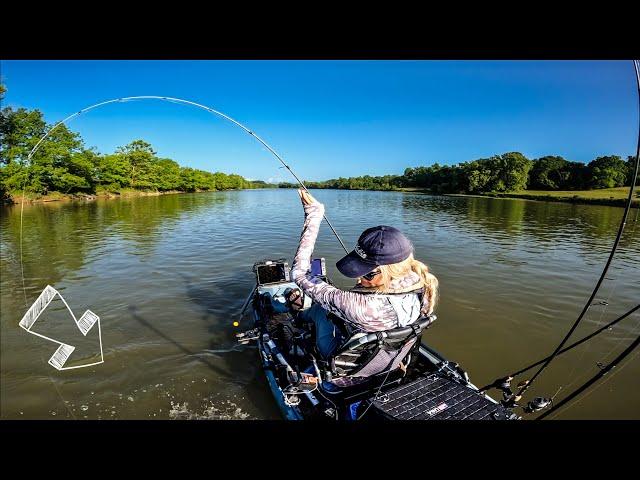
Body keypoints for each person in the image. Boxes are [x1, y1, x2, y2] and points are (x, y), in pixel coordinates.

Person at [290, 189, 439, 361]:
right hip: (388, 358)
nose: (358, 279)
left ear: (389, 272)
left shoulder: (359, 306)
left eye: (367, 275)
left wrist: (314, 215)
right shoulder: (423, 284)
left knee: (320, 309)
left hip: (349, 364)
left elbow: (299, 273)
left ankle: (298, 317)